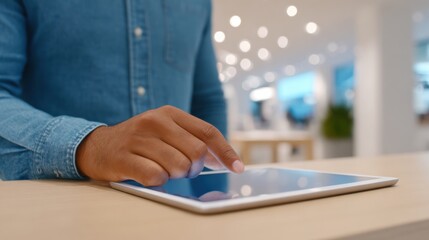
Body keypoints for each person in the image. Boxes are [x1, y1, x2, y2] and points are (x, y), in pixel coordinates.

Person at [0, 0, 244, 185]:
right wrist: (91, 145)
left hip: (179, 211)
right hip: (62, 214)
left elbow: (207, 100)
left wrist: (216, 197)